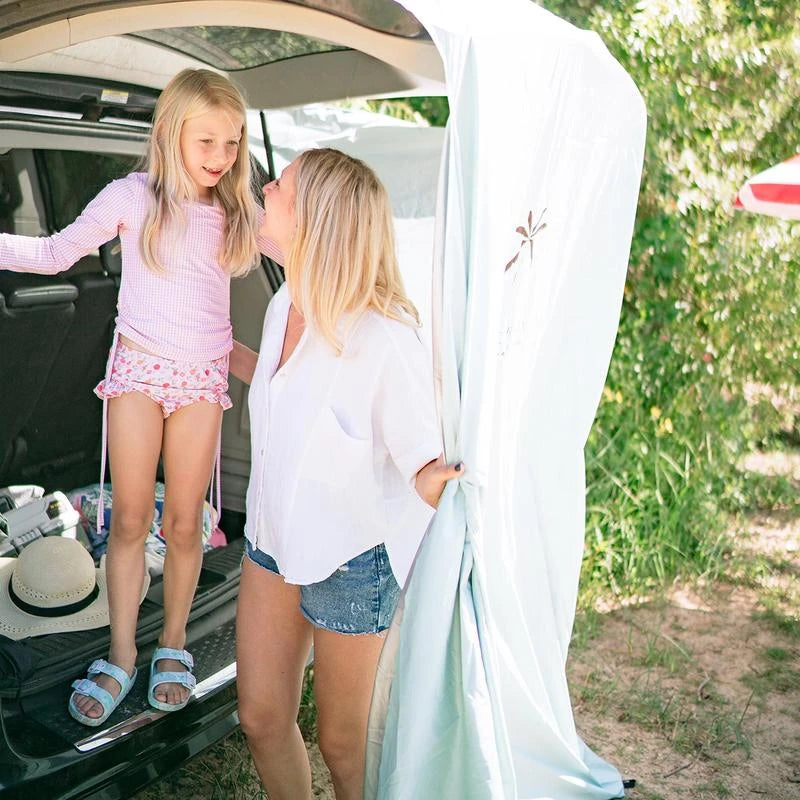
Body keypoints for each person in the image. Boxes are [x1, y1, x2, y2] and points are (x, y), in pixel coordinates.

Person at [0, 68, 278, 725]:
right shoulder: (132, 196)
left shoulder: (237, 210)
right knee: (128, 522)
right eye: (207, 141)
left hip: (200, 384)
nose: (221, 156)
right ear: (172, 132)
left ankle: (173, 644)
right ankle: (123, 653)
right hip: (137, 377)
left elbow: (303, 250)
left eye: (233, 142)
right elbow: (55, 253)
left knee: (184, 523)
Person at [230, 147, 461, 800]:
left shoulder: (385, 339)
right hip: (271, 542)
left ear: (316, 219)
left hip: (352, 561)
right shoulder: (284, 305)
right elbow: (285, 387)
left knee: (344, 745)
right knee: (261, 717)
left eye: (280, 186)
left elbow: (428, 467)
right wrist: (206, 352)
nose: (265, 190)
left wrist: (444, 482)